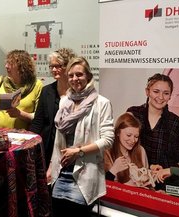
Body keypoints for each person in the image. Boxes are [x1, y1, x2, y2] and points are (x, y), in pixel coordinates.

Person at [48, 57, 114, 217]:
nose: (74, 79)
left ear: (88, 76)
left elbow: (108, 139)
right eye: (71, 75)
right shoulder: (65, 102)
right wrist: (51, 166)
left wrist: (79, 151)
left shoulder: (101, 103)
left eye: (79, 75)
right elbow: (58, 139)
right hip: (61, 172)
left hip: (83, 175)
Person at [127, 73, 179, 189]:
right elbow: (121, 149)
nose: (160, 97)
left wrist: (166, 169)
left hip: (164, 185)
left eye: (166, 93)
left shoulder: (175, 122)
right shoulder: (133, 114)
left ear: (170, 96)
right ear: (147, 91)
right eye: (156, 91)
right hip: (134, 181)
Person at [30, 48, 76, 167]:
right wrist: (28, 143)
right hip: (48, 147)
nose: (54, 70)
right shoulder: (46, 91)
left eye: (58, 66)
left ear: (68, 66)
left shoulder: (79, 92)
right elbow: (38, 122)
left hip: (71, 148)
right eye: (51, 66)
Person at [0, 49, 42, 129]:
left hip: (24, 137)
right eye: (6, 63)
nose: (6, 66)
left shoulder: (36, 85)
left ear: (22, 66)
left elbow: (39, 116)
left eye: (10, 63)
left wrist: (20, 114)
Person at [104, 112, 150, 187]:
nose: (133, 140)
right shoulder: (106, 151)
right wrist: (113, 170)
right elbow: (100, 187)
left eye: (136, 136)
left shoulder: (141, 151)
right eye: (129, 135)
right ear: (118, 133)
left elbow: (145, 184)